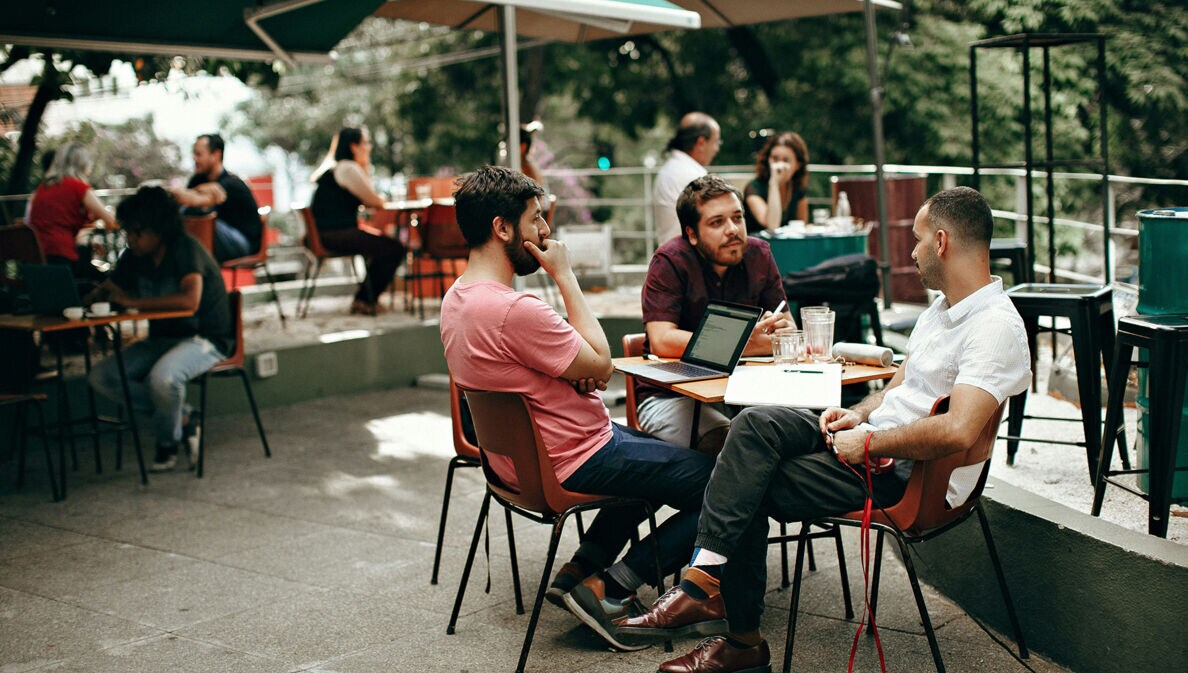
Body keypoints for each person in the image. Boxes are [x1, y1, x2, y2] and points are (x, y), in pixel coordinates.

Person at [616, 186, 1032, 673]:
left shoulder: (994, 326)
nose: (912, 253)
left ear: (941, 242)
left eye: (918, 240)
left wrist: (869, 441)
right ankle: (704, 582)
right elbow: (898, 389)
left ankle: (739, 639)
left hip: (907, 474)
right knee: (753, 426)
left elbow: (958, 431)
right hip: (873, 442)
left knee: (747, 478)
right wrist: (860, 414)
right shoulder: (940, 311)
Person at [440, 165, 714, 652]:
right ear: (502, 228)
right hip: (575, 456)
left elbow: (578, 367)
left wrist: (578, 369)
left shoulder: (456, 300)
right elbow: (601, 363)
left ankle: (579, 569)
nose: (546, 232)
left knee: (660, 456)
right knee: (722, 484)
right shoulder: (514, 310)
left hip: (518, 465)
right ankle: (610, 589)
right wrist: (565, 275)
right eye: (535, 219)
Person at [637, 175, 791, 453]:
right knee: (735, 448)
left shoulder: (759, 254)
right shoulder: (669, 261)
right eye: (717, 222)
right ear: (692, 234)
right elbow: (662, 340)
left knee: (801, 434)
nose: (733, 230)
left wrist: (770, 337)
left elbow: (788, 333)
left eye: (737, 218)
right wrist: (745, 344)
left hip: (745, 391)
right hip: (672, 396)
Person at [87, 186, 232, 472]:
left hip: (204, 338)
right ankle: (185, 418)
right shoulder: (134, 256)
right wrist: (88, 297)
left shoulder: (185, 249)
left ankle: (167, 444)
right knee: (102, 377)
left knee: (163, 380)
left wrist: (133, 302)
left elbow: (190, 300)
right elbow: (108, 288)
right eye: (127, 231)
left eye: (137, 232)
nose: (130, 239)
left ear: (158, 228)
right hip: (161, 340)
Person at [309, 127, 405, 316]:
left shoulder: (335, 167)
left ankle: (366, 297)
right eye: (366, 143)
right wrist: (366, 167)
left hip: (325, 233)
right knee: (394, 248)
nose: (369, 147)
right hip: (335, 234)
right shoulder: (347, 168)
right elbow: (373, 201)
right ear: (354, 146)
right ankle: (364, 300)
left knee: (382, 244)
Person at [27, 144, 117, 281]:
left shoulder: (43, 188)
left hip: (37, 258)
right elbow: (110, 221)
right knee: (108, 281)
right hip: (62, 258)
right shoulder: (78, 187)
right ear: (83, 164)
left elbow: (56, 222)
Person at [169, 133, 261, 262]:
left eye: (199, 154)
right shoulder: (197, 180)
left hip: (244, 243)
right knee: (181, 216)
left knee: (200, 218)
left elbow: (193, 200)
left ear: (216, 155)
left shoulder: (232, 184)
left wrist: (184, 195)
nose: (194, 159)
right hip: (216, 240)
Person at [653, 112, 721, 244]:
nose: (716, 149)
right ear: (701, 143)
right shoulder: (694, 176)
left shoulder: (671, 168)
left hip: (670, 250)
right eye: (716, 142)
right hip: (686, 253)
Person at [743, 131, 810, 234]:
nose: (779, 166)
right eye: (775, 159)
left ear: (797, 165)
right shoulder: (754, 188)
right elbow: (772, 225)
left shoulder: (798, 188)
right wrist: (774, 183)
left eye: (786, 160)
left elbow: (802, 226)